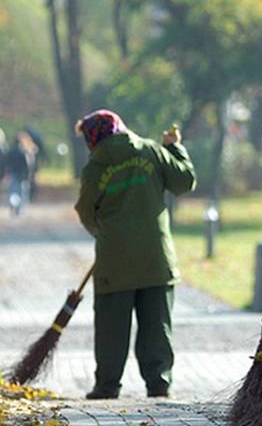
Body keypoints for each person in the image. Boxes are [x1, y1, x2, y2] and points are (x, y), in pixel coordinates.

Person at [74, 109, 196, 399]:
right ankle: (159, 384)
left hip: (114, 260)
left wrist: (104, 233)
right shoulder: (151, 151)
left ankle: (107, 386)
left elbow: (86, 211)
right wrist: (174, 148)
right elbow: (184, 181)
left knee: (111, 326)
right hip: (156, 256)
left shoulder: (95, 168)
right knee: (157, 324)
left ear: (94, 138)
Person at [5, 131, 37, 216]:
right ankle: (19, 209)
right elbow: (29, 165)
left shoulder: (11, 149)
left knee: (14, 191)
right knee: (22, 192)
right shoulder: (26, 151)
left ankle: (13, 206)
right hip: (23, 175)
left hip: (13, 174)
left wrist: (6, 173)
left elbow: (7, 162)